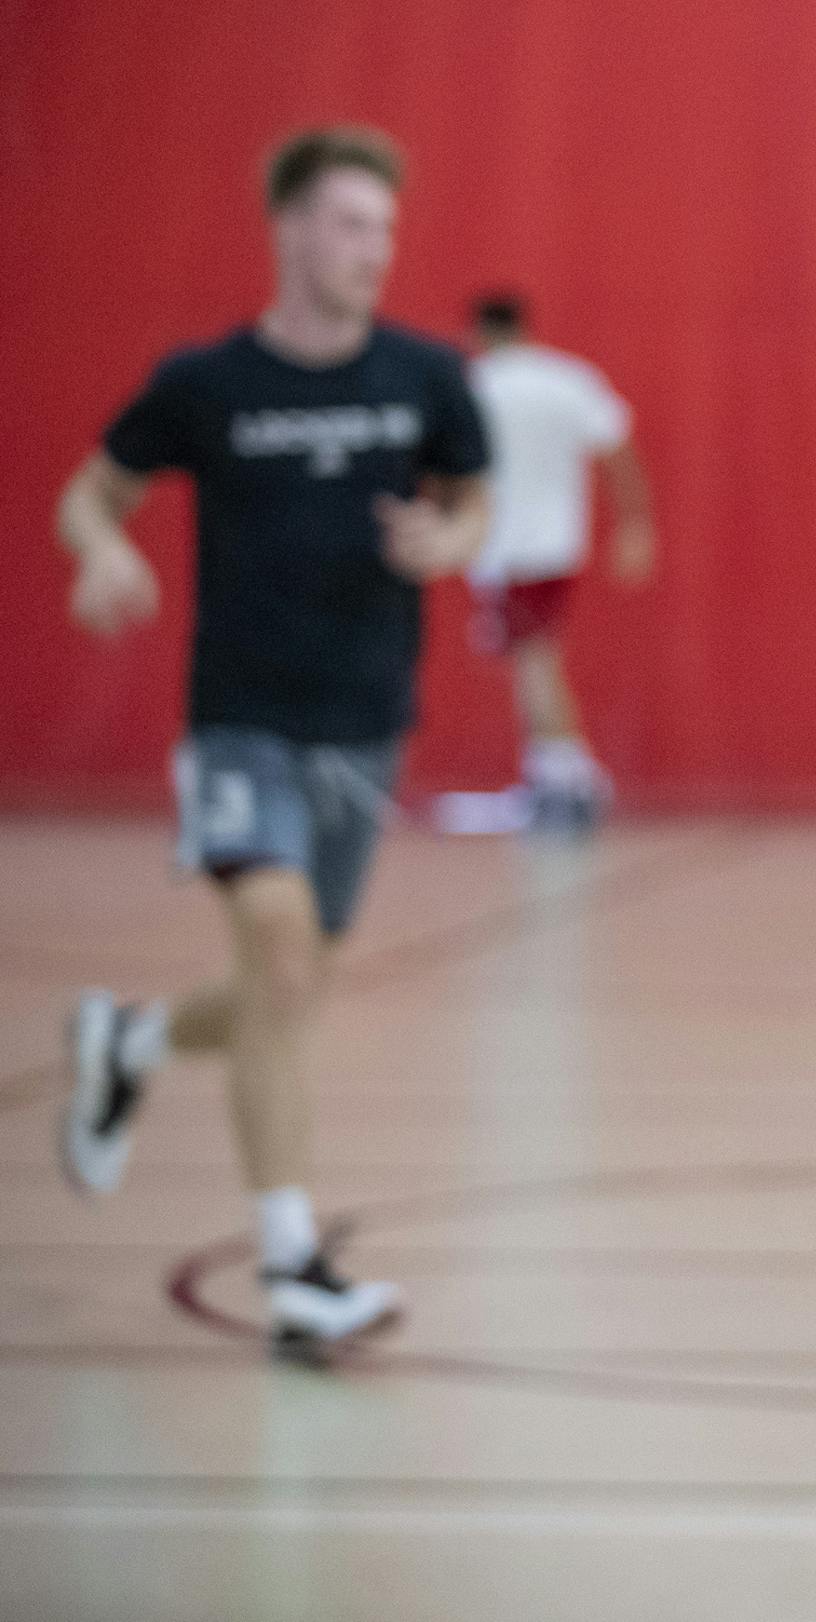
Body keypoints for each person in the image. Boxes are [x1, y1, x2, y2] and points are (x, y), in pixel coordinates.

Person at [54, 127, 491, 1347]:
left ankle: (130, 1037)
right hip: (241, 720)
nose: (373, 248)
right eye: (350, 223)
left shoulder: (425, 376)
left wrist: (449, 541)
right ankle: (294, 1261)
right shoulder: (208, 382)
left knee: (284, 986)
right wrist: (100, 546)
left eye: (385, 228)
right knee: (281, 956)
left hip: (364, 727)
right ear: (290, 228)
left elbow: (473, 498)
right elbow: (90, 489)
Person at [463, 291, 653, 831]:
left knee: (533, 659)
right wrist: (635, 523)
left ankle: (566, 774)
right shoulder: (568, 379)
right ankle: (552, 772)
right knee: (534, 655)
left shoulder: (475, 386)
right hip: (555, 543)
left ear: (480, 331)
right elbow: (618, 451)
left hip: (504, 545)